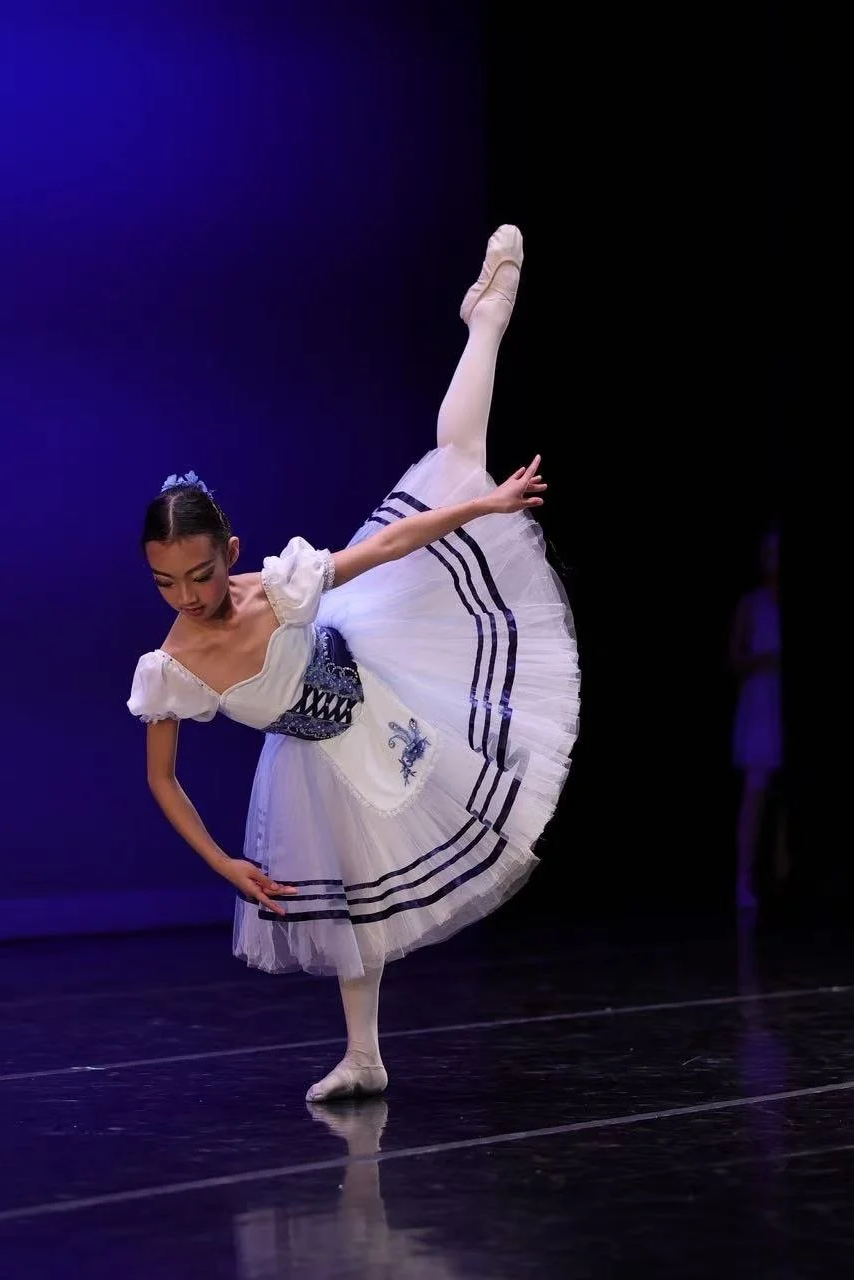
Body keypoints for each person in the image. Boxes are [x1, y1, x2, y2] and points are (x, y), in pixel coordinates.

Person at [125, 226, 580, 1102]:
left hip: (377, 665)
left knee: (459, 471)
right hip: (317, 753)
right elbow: (165, 781)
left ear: (233, 553)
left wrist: (483, 506)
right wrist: (224, 863)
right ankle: (365, 1055)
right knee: (353, 904)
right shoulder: (170, 669)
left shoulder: (283, 589)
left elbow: (392, 543)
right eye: (165, 582)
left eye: (202, 572)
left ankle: (486, 319)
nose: (187, 595)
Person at [729, 525, 783, 911]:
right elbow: (734, 658)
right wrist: (761, 661)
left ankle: (782, 874)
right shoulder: (753, 603)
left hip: (781, 699)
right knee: (756, 795)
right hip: (762, 700)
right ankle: (745, 878)